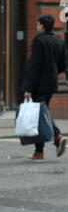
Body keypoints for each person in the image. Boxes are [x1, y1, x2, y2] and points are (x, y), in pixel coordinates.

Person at [23, 14, 67, 161]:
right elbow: (63, 64)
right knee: (41, 113)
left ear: (41, 26)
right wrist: (53, 73)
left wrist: (29, 88)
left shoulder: (39, 40)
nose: (36, 27)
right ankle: (39, 151)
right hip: (51, 83)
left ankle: (57, 136)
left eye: (37, 24)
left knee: (42, 114)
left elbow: (34, 66)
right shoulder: (59, 41)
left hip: (38, 85)